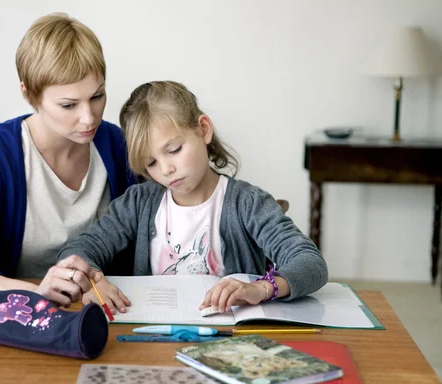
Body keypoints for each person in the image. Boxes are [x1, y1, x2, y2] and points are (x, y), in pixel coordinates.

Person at [55, 81, 328, 315]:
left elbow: (311, 263)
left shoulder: (247, 203)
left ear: (204, 129)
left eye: (173, 149)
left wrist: (261, 288)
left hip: (231, 341)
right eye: (151, 163)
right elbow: (78, 250)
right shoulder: (139, 202)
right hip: (153, 337)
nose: (165, 169)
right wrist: (93, 281)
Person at [0, 13, 136, 305]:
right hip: (18, 318)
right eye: (68, 104)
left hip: (105, 317)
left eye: (97, 96)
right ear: (29, 94)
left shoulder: (118, 146)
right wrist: (31, 292)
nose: (89, 118)